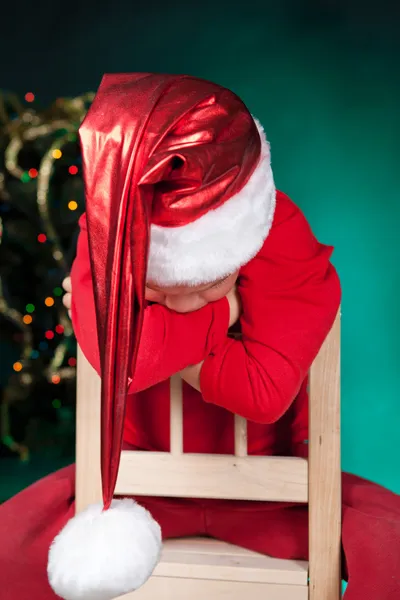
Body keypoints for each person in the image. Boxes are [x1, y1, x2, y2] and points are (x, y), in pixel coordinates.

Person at [0, 73, 399, 600]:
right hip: (133, 495)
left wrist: (152, 326)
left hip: (274, 501)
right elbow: (127, 363)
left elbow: (262, 395)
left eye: (208, 285)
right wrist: (226, 311)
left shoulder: (279, 234)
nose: (185, 301)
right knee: (10, 550)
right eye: (159, 289)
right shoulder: (108, 228)